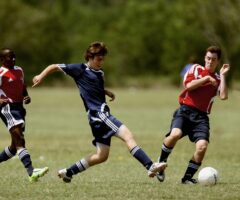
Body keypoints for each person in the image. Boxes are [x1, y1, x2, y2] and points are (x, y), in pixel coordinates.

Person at [32, 41, 167, 183]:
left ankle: (69, 172)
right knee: (128, 136)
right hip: (100, 115)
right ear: (89, 57)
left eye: (103, 59)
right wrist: (41, 76)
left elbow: (93, 88)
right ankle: (150, 166)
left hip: (95, 118)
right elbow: (54, 66)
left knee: (101, 156)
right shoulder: (80, 69)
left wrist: (105, 92)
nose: (101, 62)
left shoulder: (100, 73)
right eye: (98, 59)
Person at [156, 46, 230, 184]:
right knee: (175, 135)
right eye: (208, 58)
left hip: (201, 117)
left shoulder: (218, 79)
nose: (210, 61)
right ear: (204, 58)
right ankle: (161, 163)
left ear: (218, 61)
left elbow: (224, 96)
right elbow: (188, 86)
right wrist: (206, 78)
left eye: (213, 60)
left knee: (202, 147)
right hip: (185, 111)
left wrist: (224, 75)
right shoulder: (196, 68)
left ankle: (187, 178)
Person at [0, 48, 49, 182]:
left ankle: (31, 171)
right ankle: (31, 171)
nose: (13, 59)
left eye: (14, 57)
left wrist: (26, 96)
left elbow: (22, 86)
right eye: (10, 57)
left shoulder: (19, 70)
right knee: (20, 140)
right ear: (3, 60)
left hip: (19, 108)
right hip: (7, 108)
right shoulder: (1, 73)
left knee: (14, 146)